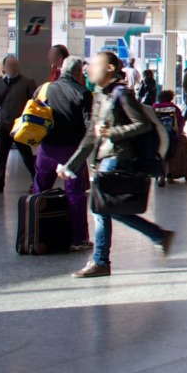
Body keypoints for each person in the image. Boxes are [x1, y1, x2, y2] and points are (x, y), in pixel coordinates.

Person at [63, 52, 174, 278]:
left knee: (102, 207)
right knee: (103, 209)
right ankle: (152, 239)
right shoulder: (99, 96)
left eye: (95, 64)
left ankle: (104, 260)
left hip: (118, 158)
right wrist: (71, 165)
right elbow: (90, 137)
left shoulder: (122, 93)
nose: (88, 68)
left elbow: (141, 124)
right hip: (104, 159)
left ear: (110, 68)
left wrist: (112, 132)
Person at [32, 56, 92, 249]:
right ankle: (78, 239)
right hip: (71, 151)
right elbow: (89, 125)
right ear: (78, 72)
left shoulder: (44, 88)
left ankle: (34, 233)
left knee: (39, 190)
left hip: (46, 148)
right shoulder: (83, 93)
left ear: (61, 69)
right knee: (75, 193)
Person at [0, 55, 38, 194]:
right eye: (9, 65)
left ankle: (37, 180)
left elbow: (35, 102)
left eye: (14, 65)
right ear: (5, 68)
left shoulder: (27, 82)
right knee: (0, 156)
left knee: (26, 156)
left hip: (20, 125)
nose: (12, 68)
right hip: (3, 123)